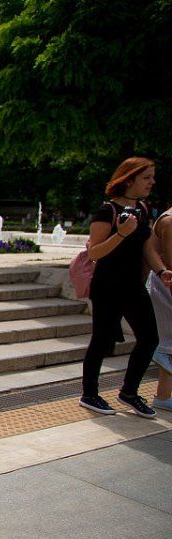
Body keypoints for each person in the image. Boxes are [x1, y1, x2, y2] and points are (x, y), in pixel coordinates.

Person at [80, 157, 170, 417]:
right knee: (102, 341)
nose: (152, 182)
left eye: (153, 177)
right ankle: (90, 394)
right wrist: (120, 234)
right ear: (129, 179)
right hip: (108, 286)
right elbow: (95, 252)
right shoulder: (107, 211)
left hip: (133, 285)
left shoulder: (142, 207)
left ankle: (129, 392)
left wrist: (161, 270)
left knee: (150, 338)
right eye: (147, 178)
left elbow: (146, 247)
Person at [148, 200, 172, 410]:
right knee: (168, 346)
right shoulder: (170, 221)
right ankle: (163, 397)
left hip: (164, 284)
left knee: (169, 345)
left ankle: (163, 397)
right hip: (166, 286)